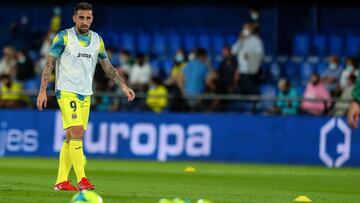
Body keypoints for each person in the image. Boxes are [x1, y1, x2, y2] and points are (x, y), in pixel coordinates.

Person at [36, 2, 135, 191]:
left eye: (88, 18)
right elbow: (49, 64)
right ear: (74, 18)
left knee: (70, 137)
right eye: (81, 17)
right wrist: (42, 90)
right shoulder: (64, 37)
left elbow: (107, 66)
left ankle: (61, 181)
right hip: (66, 91)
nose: (84, 21)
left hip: (85, 94)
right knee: (78, 132)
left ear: (92, 19)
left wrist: (123, 85)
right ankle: (82, 179)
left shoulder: (97, 40)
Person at [231, 22, 264, 95]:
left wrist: (250, 56)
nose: (245, 30)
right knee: (243, 92)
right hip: (241, 71)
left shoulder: (256, 41)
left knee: (252, 93)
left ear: (251, 29)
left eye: (247, 28)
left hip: (252, 71)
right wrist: (240, 40)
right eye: (244, 28)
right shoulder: (240, 40)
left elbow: (260, 55)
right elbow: (233, 51)